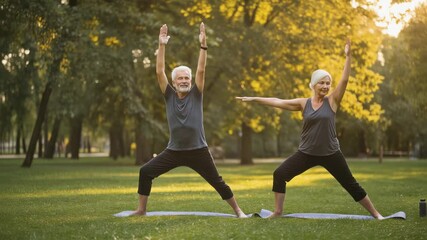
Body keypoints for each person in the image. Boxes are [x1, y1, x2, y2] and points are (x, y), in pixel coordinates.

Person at [236, 39, 384, 219]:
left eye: (328, 83)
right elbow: (277, 101)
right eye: (322, 83)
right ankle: (277, 212)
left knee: (351, 184)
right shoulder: (303, 103)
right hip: (306, 153)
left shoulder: (332, 101)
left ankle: (377, 215)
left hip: (331, 153)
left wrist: (348, 56)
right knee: (280, 174)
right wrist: (254, 99)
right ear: (314, 85)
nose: (325, 86)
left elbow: (344, 79)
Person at [131, 23, 247, 218]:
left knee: (217, 182)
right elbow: (159, 71)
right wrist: (161, 45)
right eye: (180, 79)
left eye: (187, 78)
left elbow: (201, 70)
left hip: (198, 150)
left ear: (190, 81)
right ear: (174, 82)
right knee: (145, 172)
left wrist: (203, 46)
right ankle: (141, 210)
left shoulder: (196, 94)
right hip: (174, 151)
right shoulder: (169, 95)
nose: (184, 81)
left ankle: (238, 211)